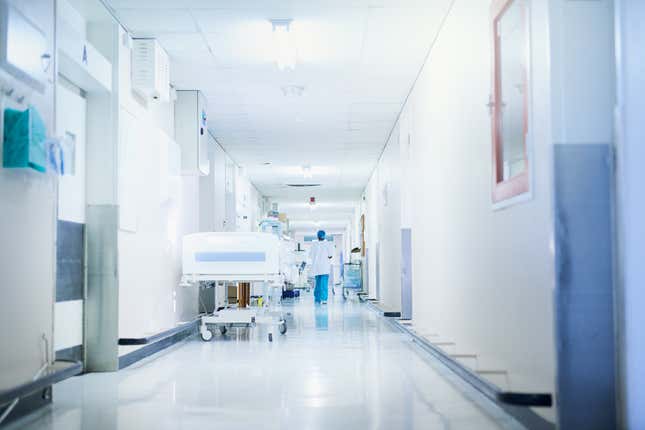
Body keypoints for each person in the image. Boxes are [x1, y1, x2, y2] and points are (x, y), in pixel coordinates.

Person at [309, 230, 334, 304]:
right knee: (324, 284)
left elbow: (310, 256)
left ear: (317, 236)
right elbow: (330, 256)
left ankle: (317, 298)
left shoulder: (314, 245)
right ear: (324, 236)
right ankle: (323, 299)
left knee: (318, 283)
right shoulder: (328, 244)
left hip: (316, 268)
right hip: (325, 268)